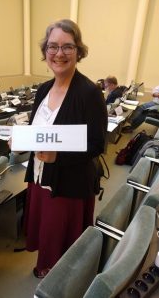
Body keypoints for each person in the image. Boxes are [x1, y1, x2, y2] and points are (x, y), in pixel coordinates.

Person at [22, 19, 108, 278]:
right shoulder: (43, 90)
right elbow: (38, 130)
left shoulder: (89, 93)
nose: (59, 53)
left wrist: (57, 155)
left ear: (78, 51)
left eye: (67, 47)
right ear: (45, 51)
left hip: (68, 182)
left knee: (59, 234)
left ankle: (59, 280)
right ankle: (46, 268)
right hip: (39, 176)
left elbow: (96, 144)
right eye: (52, 46)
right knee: (45, 230)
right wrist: (22, 140)